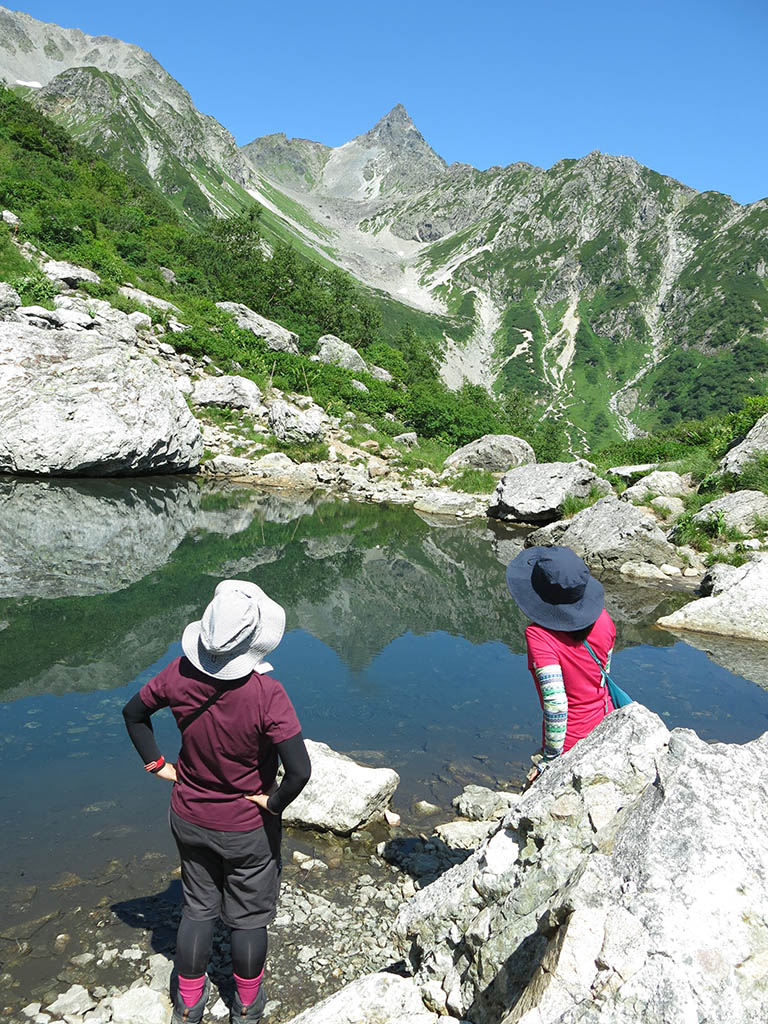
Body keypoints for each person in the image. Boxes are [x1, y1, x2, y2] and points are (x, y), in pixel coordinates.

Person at [122, 580, 311, 1024]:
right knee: (247, 918)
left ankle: (188, 1004)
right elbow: (300, 770)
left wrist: (159, 766)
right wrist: (273, 802)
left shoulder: (179, 673)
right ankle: (245, 1005)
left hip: (188, 814)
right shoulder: (268, 695)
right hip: (246, 827)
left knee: (198, 908)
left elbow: (134, 714)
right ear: (251, 644)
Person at [505, 546, 616, 786]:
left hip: (571, 742)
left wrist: (550, 760)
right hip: (605, 723)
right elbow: (603, 675)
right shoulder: (604, 619)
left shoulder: (539, 636)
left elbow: (555, 705)